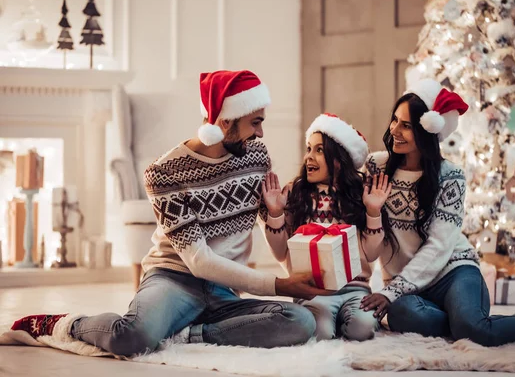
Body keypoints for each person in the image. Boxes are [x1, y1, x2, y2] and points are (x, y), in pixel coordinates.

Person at [10, 70, 327, 356]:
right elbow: (199, 261)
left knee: (299, 321)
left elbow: (274, 241)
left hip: (224, 290)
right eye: (255, 122)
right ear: (226, 122)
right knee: (132, 338)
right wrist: (280, 285)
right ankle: (64, 325)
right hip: (174, 279)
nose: (260, 133)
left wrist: (273, 214)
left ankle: (189, 336)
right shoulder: (164, 172)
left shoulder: (254, 154)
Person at [360, 79, 515, 346]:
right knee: (401, 313)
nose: (395, 130)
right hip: (411, 287)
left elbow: (439, 246)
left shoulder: (451, 177)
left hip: (453, 271)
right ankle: (461, 322)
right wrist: (372, 210)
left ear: (427, 131)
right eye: (395, 121)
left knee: (475, 330)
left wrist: (393, 290)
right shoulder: (376, 167)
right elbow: (354, 205)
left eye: (406, 125)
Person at [260, 113, 391, 341]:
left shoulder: (360, 195)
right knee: (320, 332)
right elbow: (281, 252)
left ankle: (343, 318)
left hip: (355, 289)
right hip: (312, 291)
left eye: (319, 150)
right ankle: (330, 321)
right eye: (309, 148)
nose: (309, 157)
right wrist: (275, 213)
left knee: (362, 329)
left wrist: (373, 212)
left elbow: (371, 253)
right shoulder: (295, 193)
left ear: (339, 160)